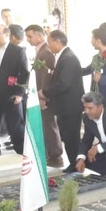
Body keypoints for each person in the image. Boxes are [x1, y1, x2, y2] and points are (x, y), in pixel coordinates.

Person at [40, 30, 85, 171]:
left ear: (57, 41)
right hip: (64, 106)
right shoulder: (63, 56)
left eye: (50, 42)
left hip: (70, 106)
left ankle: (75, 164)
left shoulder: (68, 57)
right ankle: (73, 163)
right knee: (67, 136)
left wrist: (45, 92)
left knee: (72, 138)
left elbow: (64, 83)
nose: (48, 45)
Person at [25, 24, 63, 167]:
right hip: (39, 95)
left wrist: (43, 96)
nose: (28, 39)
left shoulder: (46, 52)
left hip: (44, 96)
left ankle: (55, 155)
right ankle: (49, 154)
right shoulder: (40, 51)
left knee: (49, 125)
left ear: (40, 36)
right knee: (45, 125)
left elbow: (47, 77)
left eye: (30, 36)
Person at [0, 23, 28, 156]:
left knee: (15, 125)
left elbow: (24, 74)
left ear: (6, 35)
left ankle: (22, 153)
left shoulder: (17, 51)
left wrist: (19, 93)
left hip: (10, 94)